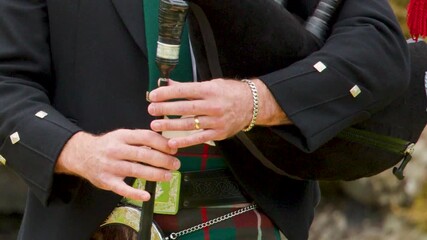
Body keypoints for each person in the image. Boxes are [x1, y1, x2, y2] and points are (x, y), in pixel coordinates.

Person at [0, 0, 409, 239]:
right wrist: (77, 151)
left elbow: (378, 46)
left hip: (251, 213)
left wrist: (259, 101)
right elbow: (7, 81)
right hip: (92, 223)